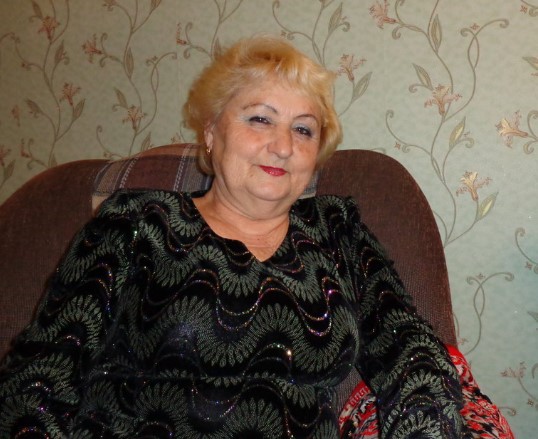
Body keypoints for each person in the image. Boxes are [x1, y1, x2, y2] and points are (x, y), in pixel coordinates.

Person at [0, 36, 485, 438]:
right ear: (212, 132)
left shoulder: (337, 229)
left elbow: (411, 349)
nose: (283, 145)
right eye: (260, 119)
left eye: (304, 130)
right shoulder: (138, 221)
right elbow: (42, 372)